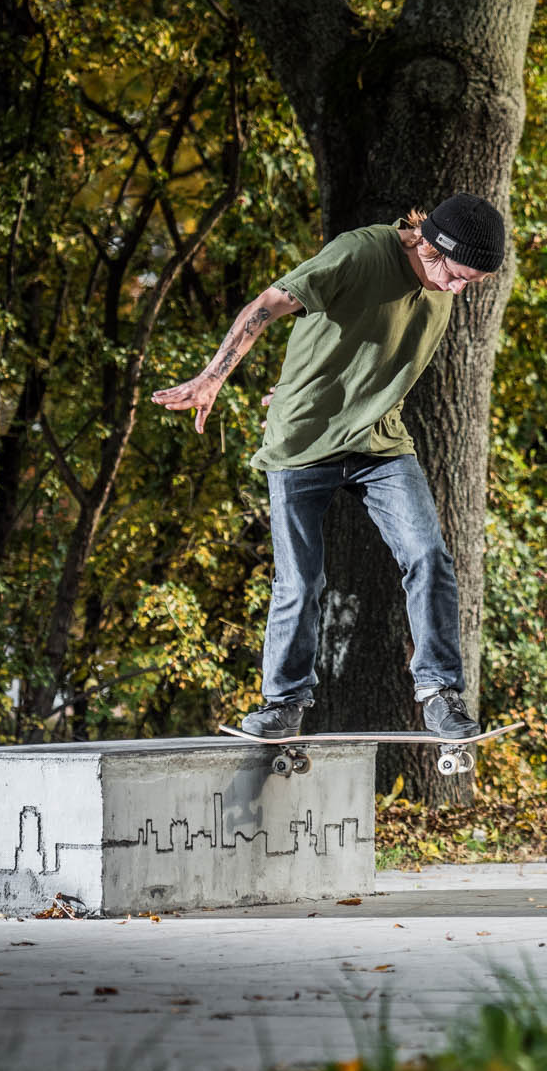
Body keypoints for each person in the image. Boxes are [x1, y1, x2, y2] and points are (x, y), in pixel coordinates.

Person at [151, 193, 506, 739]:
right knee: (300, 581)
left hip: (379, 443)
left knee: (429, 558)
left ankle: (440, 693)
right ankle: (283, 704)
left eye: (470, 284)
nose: (459, 291)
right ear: (430, 246)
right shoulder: (359, 254)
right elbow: (269, 303)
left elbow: (369, 353)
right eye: (458, 277)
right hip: (302, 443)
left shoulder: (441, 287)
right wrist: (211, 378)